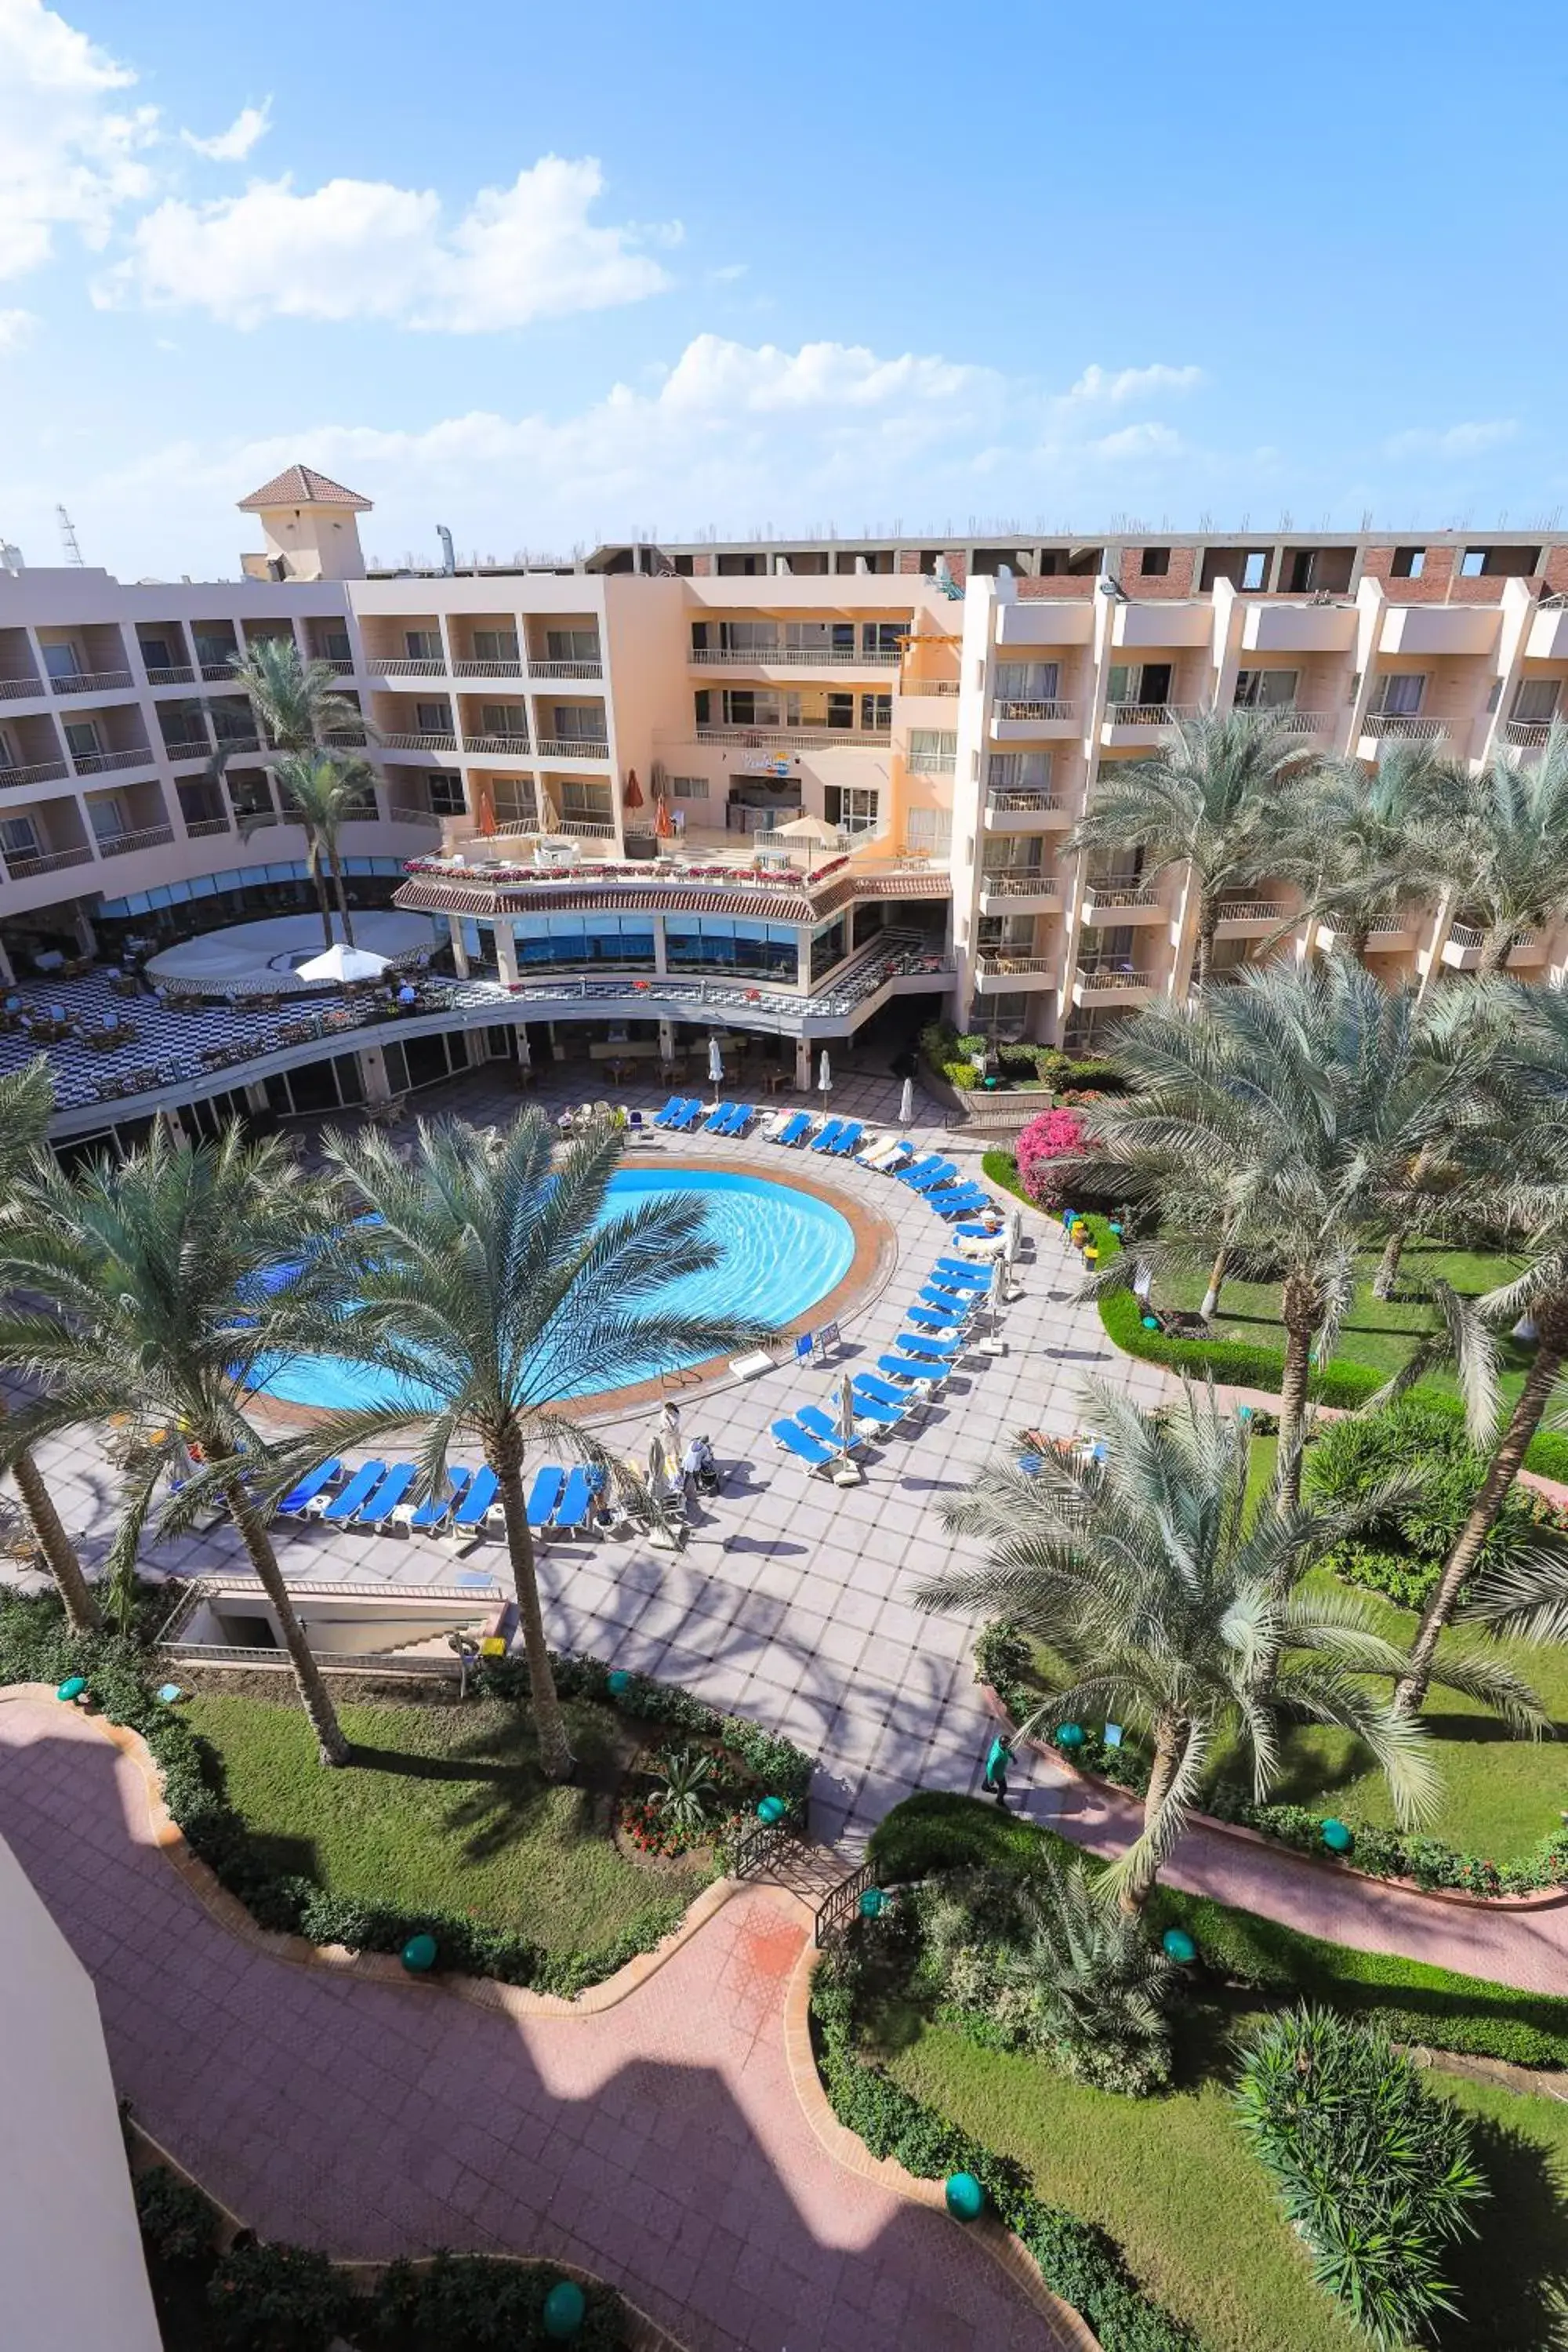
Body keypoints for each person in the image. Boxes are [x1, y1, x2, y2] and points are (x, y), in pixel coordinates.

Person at [982, 1733, 1014, 1808]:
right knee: (1003, 1788)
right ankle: (999, 1801)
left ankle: (985, 1787)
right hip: (998, 1772)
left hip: (992, 1766)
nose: (1010, 1746)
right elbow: (991, 1767)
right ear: (1003, 1745)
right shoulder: (997, 1756)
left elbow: (1008, 1750)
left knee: (988, 1774)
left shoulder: (999, 1743)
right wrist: (991, 1779)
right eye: (1008, 1744)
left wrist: (1012, 1756)